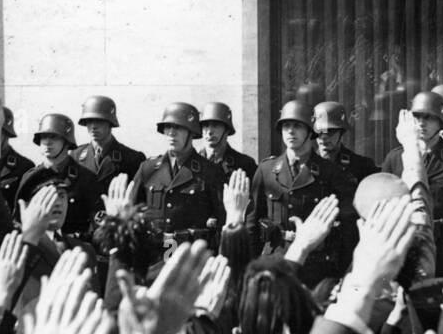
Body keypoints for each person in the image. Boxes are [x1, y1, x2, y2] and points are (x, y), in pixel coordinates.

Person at [247, 100, 349, 286]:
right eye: (286, 126)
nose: (290, 131)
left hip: (315, 266)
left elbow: (346, 228)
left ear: (310, 131)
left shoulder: (329, 173)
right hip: (275, 262)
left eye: (297, 126)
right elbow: (252, 224)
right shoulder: (266, 170)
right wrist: (252, 267)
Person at [381, 90, 443, 277]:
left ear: (440, 122)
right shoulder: (395, 158)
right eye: (417, 117)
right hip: (407, 245)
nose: (421, 123)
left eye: (428, 118)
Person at [129, 103, 224, 261]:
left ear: (191, 133)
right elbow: (132, 213)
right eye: (168, 127)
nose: (171, 133)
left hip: (192, 258)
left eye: (178, 128)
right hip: (154, 258)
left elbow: (222, 219)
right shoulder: (148, 169)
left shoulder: (210, 172)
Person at [15, 113, 101, 239]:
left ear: (67, 141)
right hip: (39, 248)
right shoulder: (30, 177)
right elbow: (18, 220)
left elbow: (98, 226)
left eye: (54, 137)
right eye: (44, 137)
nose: (47, 142)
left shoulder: (86, 178)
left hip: (76, 248)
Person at [72, 95, 144, 192]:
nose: (93, 126)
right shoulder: (75, 156)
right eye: (89, 121)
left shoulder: (132, 159)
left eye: (99, 121)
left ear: (110, 123)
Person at [197, 102, 256, 182]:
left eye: (215, 125)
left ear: (227, 129)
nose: (209, 132)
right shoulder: (193, 163)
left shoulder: (245, 164)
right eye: (206, 126)